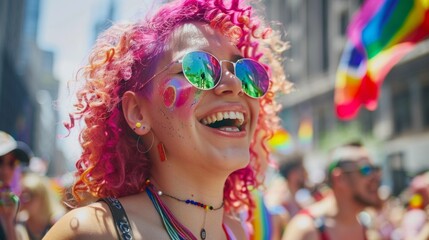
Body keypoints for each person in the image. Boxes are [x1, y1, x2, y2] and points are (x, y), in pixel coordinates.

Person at [44, 0, 291, 239]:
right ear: (138, 113)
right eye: (199, 69)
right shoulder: (94, 232)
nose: (236, 84)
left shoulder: (240, 232)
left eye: (246, 72)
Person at [282, 141, 382, 240]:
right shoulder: (306, 230)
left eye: (376, 169)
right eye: (366, 169)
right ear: (340, 178)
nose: (375, 177)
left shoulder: (367, 227)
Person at [0, 131, 32, 240]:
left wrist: (8, 221)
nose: (5, 171)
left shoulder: (11, 205)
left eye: (12, 163)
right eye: (0, 161)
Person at [15, 173, 66, 240]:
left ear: (42, 197)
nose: (22, 200)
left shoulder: (57, 222)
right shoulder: (19, 222)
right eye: (20, 196)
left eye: (26, 196)